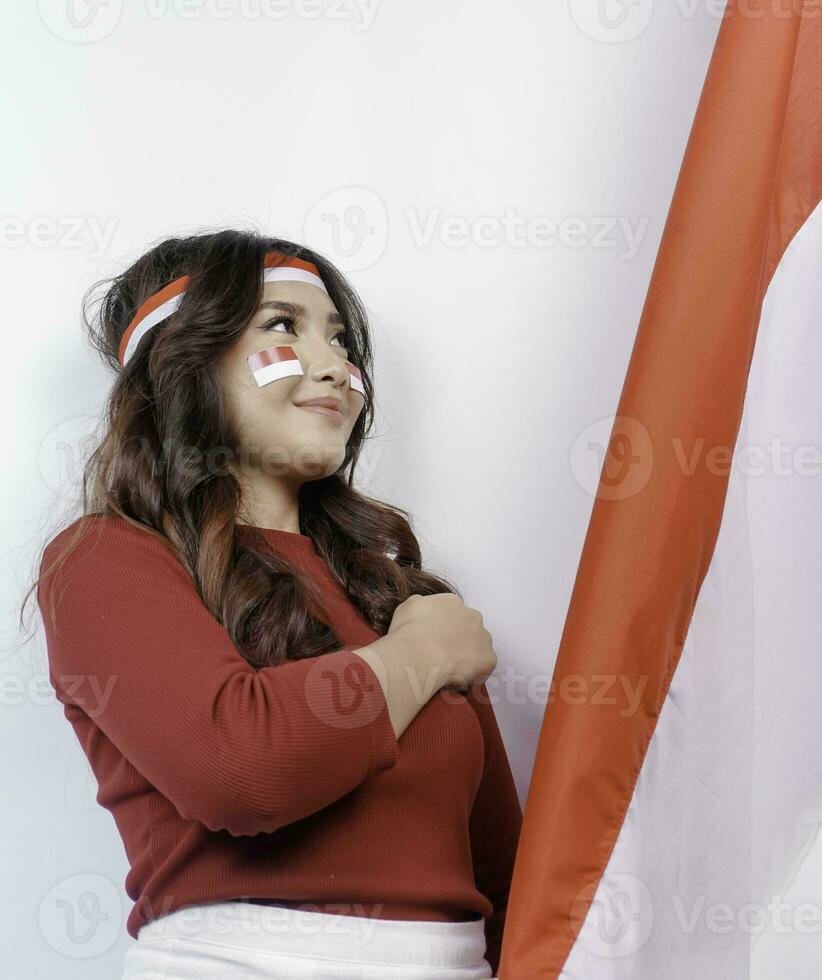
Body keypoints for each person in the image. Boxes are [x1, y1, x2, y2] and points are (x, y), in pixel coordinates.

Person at [28, 228, 523, 978]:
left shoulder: (403, 596)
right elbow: (243, 771)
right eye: (283, 327)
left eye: (341, 339)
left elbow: (502, 876)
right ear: (182, 363)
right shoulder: (104, 559)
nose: (337, 368)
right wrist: (420, 657)